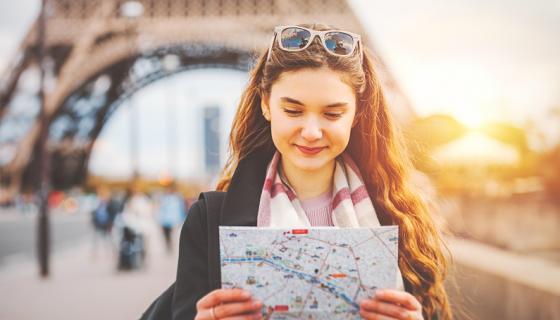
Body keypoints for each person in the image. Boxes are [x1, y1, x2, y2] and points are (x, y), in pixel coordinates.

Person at [142, 23, 452, 320]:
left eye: (332, 113)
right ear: (265, 104)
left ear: (357, 113)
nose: (312, 131)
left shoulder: (401, 219)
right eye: (293, 110)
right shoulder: (207, 222)